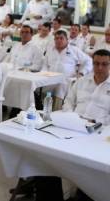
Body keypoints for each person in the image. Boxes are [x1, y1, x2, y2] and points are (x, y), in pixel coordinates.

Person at [34, 49, 110, 201]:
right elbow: (68, 102)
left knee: (90, 168)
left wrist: (97, 123)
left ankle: (86, 192)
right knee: (44, 158)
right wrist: (72, 117)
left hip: (99, 133)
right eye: (96, 63)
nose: (99, 68)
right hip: (74, 127)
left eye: (104, 64)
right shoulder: (81, 82)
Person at [42, 30, 92, 104]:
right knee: (40, 88)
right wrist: (44, 74)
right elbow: (45, 65)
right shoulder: (50, 50)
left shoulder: (74, 50)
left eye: (61, 38)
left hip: (66, 81)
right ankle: (43, 106)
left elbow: (89, 61)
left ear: (67, 40)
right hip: (49, 79)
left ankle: (57, 108)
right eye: (56, 38)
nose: (58, 40)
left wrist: (81, 73)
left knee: (61, 86)